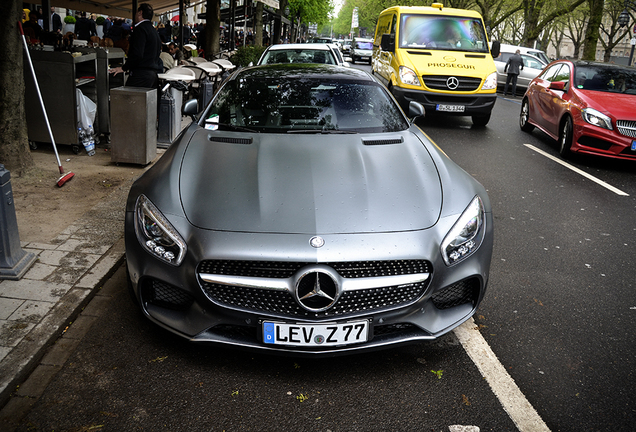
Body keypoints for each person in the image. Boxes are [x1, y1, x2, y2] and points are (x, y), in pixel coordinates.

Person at [110, 3, 162, 89]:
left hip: (140, 74)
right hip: (152, 75)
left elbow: (137, 53)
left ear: (140, 13)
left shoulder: (140, 29)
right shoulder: (154, 31)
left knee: (129, 99)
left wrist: (124, 68)